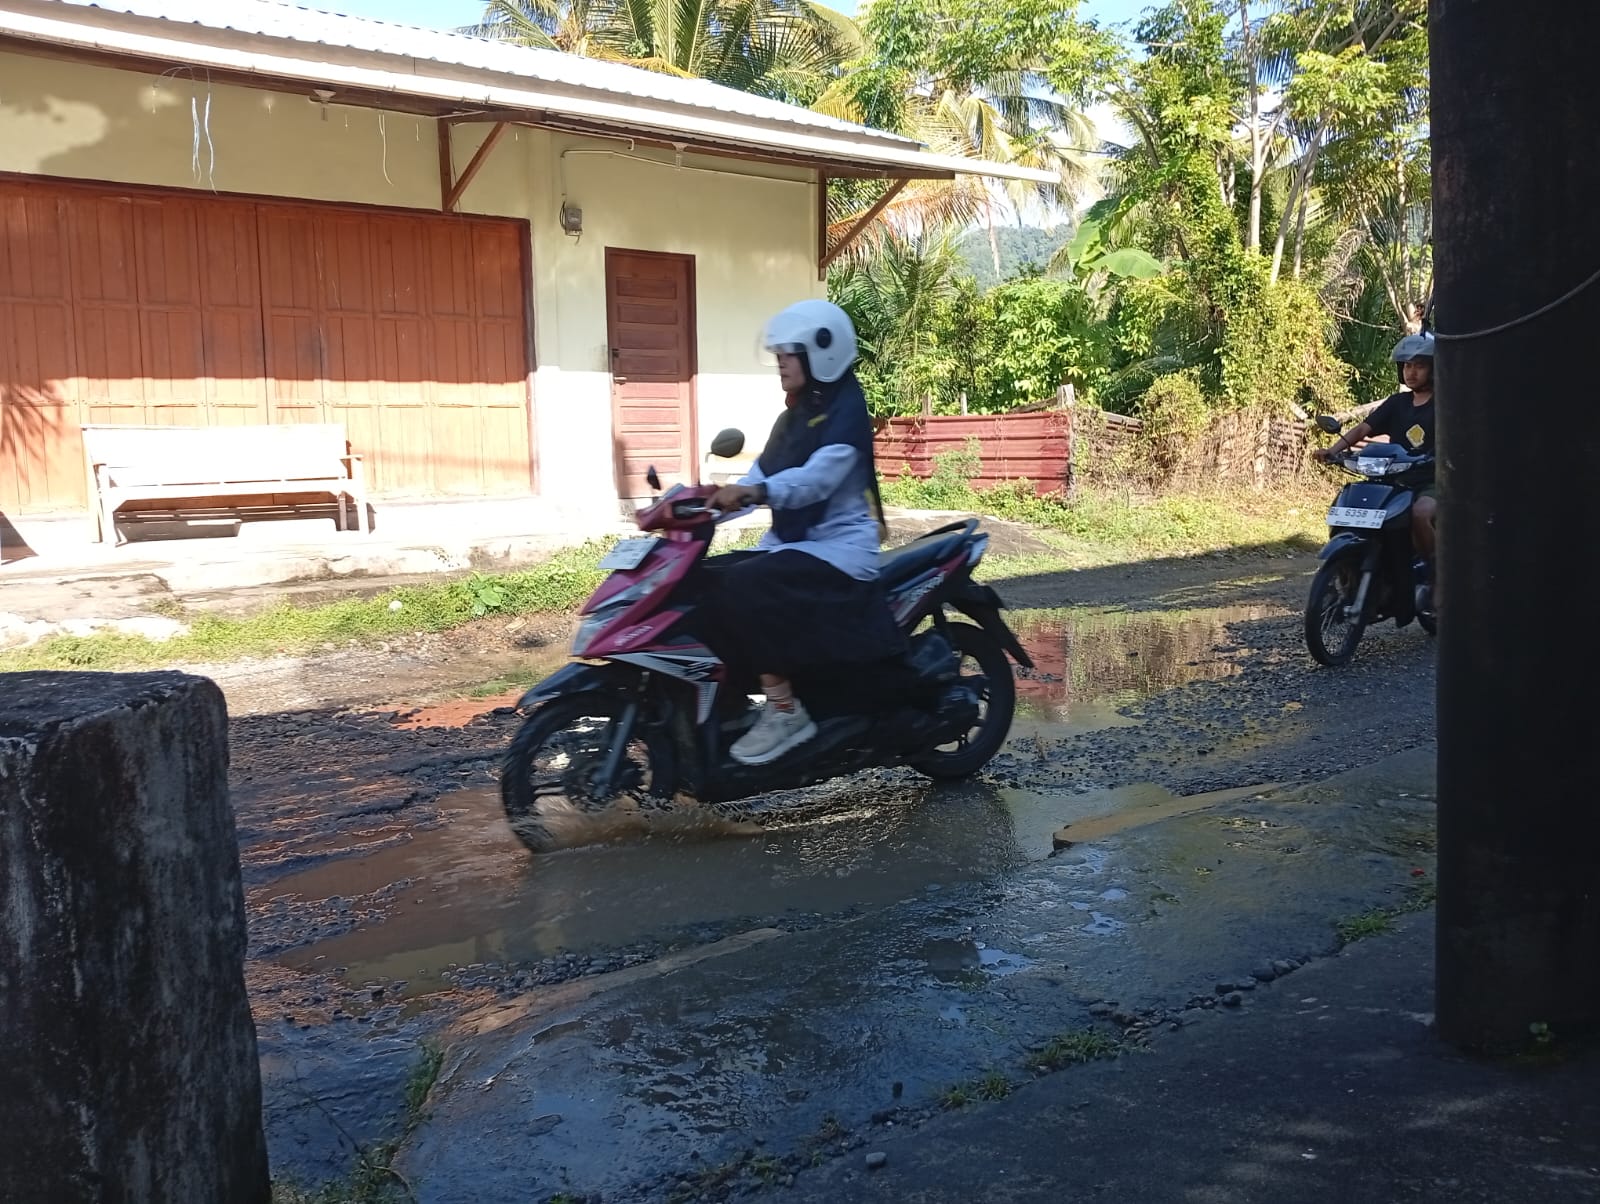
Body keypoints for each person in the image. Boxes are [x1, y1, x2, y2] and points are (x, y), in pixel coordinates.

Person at [706, 300, 906, 766]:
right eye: (777, 353)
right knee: (705, 582)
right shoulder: (794, 416)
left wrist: (753, 493)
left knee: (744, 586)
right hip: (797, 545)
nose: (780, 361)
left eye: (789, 353)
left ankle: (785, 710)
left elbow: (815, 481)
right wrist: (698, 510)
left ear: (822, 353)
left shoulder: (847, 411)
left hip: (838, 550)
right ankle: (734, 701)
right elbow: (760, 475)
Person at [1316, 332, 1438, 601]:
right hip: (1394, 480)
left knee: (1419, 514)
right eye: (1407, 365)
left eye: (1419, 365)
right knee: (1354, 505)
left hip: (1430, 481)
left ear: (1433, 368)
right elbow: (1363, 428)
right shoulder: (1398, 403)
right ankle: (1354, 571)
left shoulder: (1444, 404)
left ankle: (1436, 574)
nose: (1412, 372)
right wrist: (1333, 450)